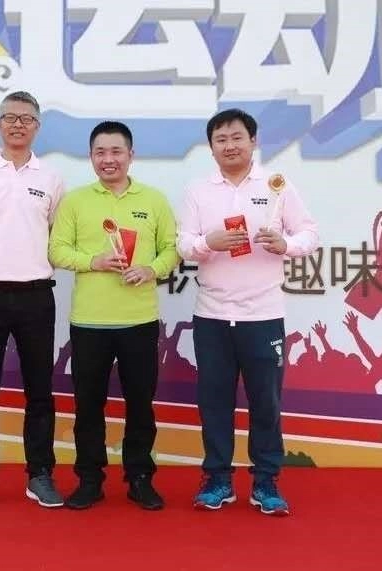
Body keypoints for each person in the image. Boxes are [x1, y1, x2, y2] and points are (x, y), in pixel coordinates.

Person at [177, 108, 319, 515]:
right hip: (212, 316)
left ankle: (266, 482)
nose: (229, 146)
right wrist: (208, 243)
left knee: (266, 403)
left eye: (237, 137)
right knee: (214, 402)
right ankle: (218, 480)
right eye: (220, 139)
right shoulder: (198, 191)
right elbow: (183, 244)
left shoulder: (276, 186)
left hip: (263, 316)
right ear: (211, 147)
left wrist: (286, 245)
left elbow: (309, 232)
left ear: (253, 141)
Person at [48, 121, 179, 510]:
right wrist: (95, 261)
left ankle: (139, 477)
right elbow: (56, 251)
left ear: (131, 155)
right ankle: (90, 479)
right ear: (91, 157)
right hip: (89, 323)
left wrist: (151, 269)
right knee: (88, 406)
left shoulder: (154, 200)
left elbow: (172, 249)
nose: (108, 159)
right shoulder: (75, 201)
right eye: (100, 152)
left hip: (139, 321)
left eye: (116, 151)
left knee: (141, 405)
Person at [0, 91, 65, 508]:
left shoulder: (50, 178)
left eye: (27, 118)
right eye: (11, 117)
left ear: (37, 126)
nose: (18, 124)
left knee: (40, 391)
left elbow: (56, 235)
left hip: (36, 296)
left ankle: (40, 474)